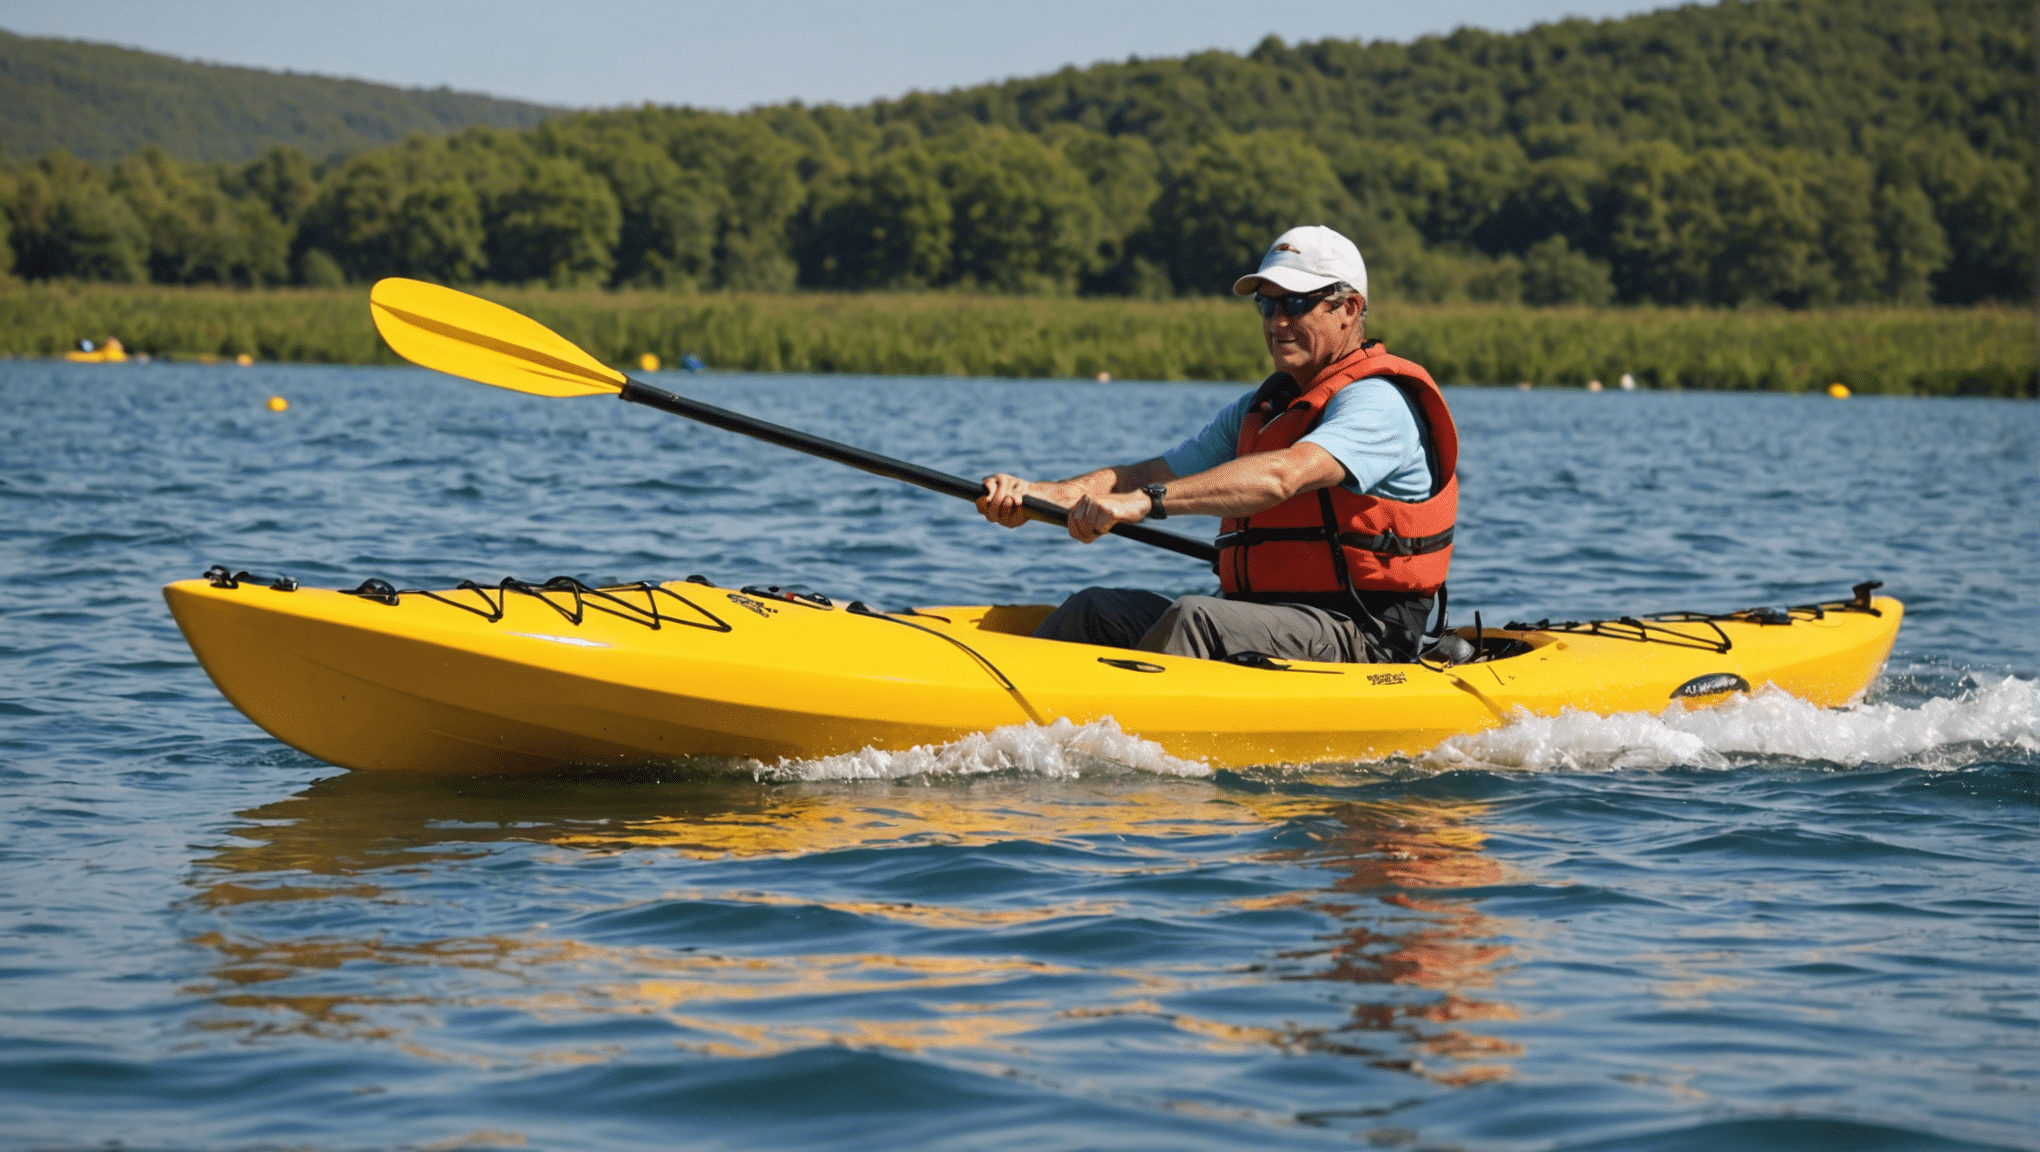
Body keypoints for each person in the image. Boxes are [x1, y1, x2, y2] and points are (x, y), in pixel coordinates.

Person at [976, 225, 1460, 665]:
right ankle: (1009, 717)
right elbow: (1143, 476)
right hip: (1263, 620)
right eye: (1266, 305)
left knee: (1196, 618)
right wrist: (1036, 495)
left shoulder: (1378, 402)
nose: (1277, 321)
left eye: (1294, 303)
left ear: (1348, 309)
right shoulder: (1262, 409)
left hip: (1362, 636)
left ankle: (1113, 734)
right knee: (1093, 609)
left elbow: (1283, 475)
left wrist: (1144, 504)